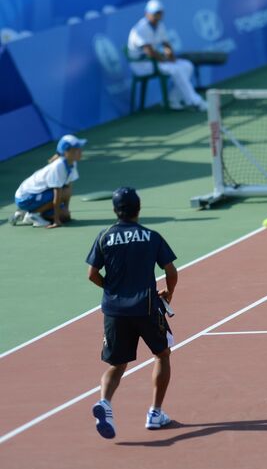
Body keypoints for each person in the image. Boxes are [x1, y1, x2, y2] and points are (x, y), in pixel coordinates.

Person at [86, 187, 178, 439]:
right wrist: (168, 294)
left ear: (115, 210)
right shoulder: (151, 236)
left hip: (115, 311)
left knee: (117, 365)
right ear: (138, 209)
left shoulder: (104, 236)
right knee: (162, 355)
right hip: (146, 308)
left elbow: (92, 274)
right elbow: (171, 271)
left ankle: (105, 402)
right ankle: (155, 413)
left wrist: (112, 289)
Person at [127, 0, 207, 112]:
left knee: (187, 65)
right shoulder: (140, 29)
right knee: (176, 69)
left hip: (154, 61)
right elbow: (149, 51)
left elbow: (166, 43)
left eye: (159, 13)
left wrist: (171, 55)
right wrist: (165, 59)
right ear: (147, 14)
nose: (157, 16)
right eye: (155, 13)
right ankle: (195, 101)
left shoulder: (160, 25)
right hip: (141, 65)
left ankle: (172, 99)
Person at [11, 134, 85, 227]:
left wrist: (66, 211)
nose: (80, 152)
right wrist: (56, 220)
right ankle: (33, 214)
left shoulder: (72, 163)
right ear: (66, 152)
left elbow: (69, 188)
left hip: (40, 195)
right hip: (25, 197)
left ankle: (25, 212)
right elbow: (58, 194)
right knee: (63, 192)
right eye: (76, 149)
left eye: (79, 148)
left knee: (65, 217)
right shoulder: (58, 166)